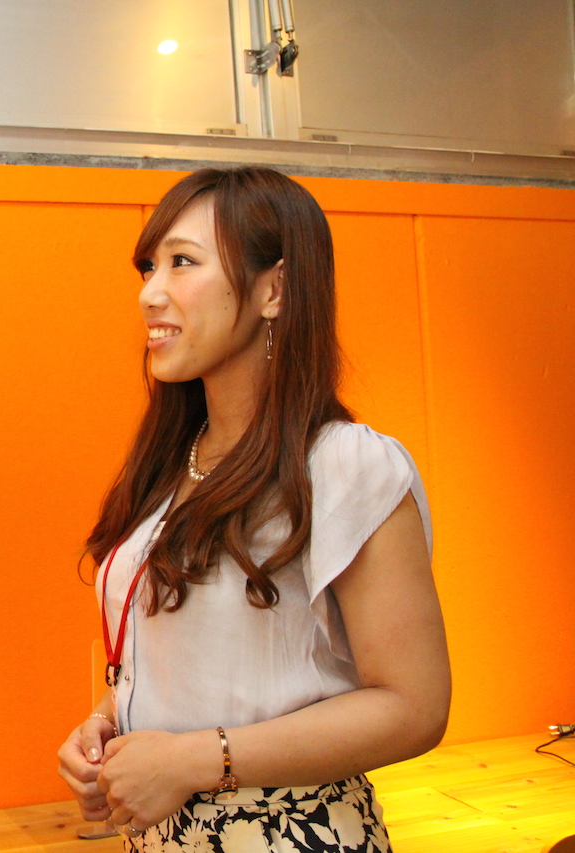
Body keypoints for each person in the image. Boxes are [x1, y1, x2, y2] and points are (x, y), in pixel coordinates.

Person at [56, 167, 450, 851]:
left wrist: (192, 760)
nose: (150, 293)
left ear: (275, 289)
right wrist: (108, 722)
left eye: (182, 262)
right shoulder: (171, 463)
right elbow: (191, 654)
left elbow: (415, 707)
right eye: (149, 267)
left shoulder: (345, 464)